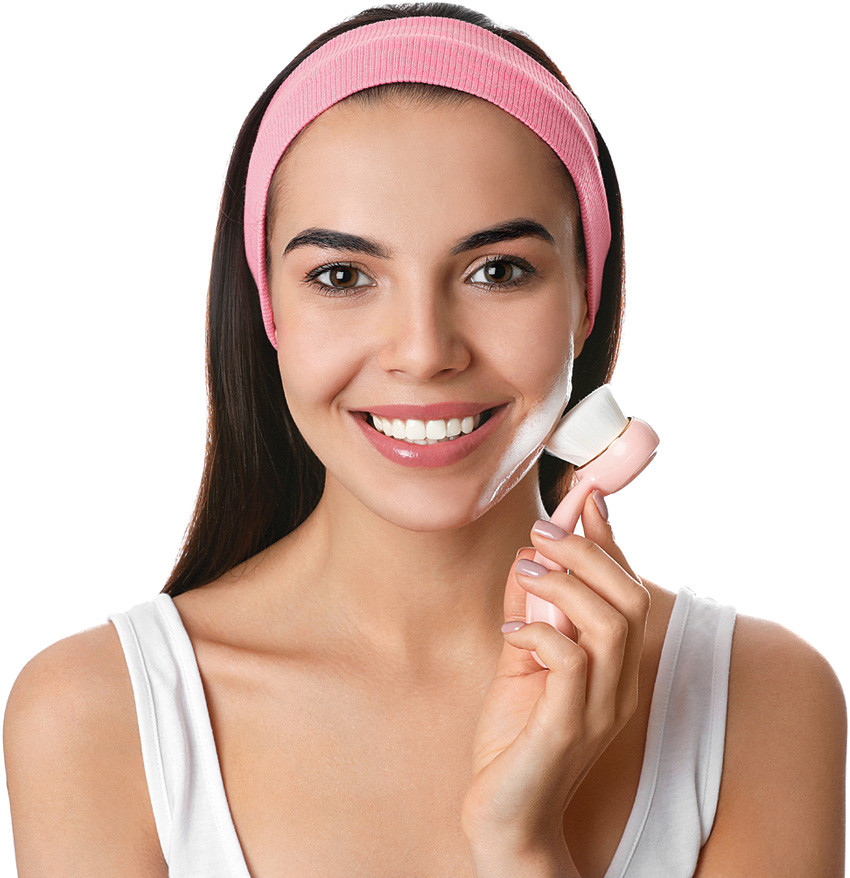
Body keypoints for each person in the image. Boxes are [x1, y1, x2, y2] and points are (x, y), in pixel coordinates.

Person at [4, 3, 845, 875]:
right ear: (269, 310)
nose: (423, 351)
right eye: (342, 276)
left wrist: (521, 844)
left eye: (497, 270)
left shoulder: (761, 700)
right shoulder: (96, 715)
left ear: (586, 297)